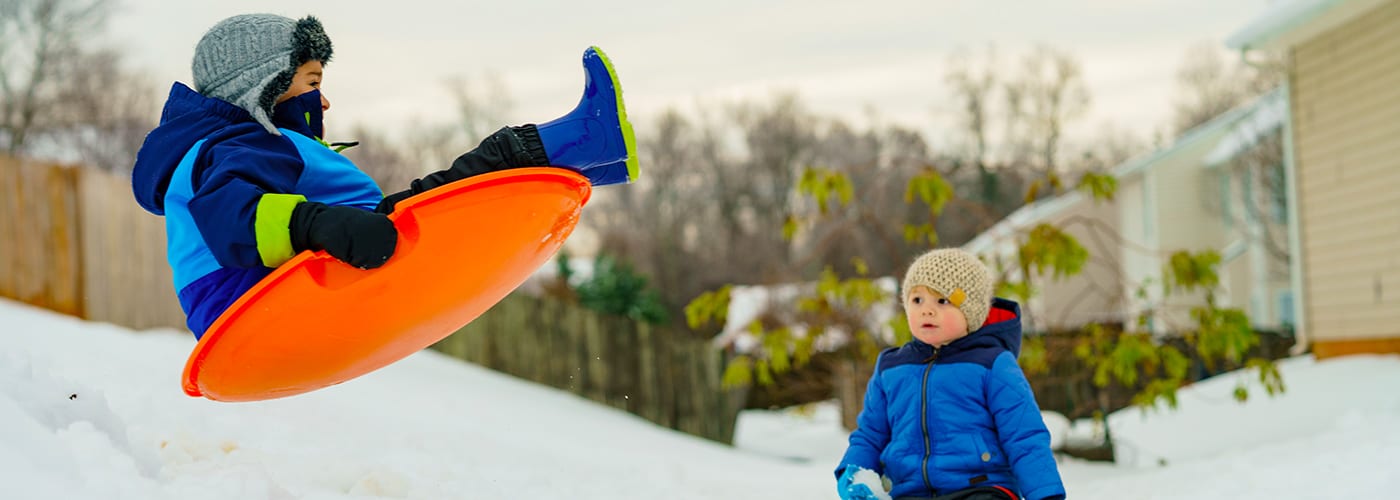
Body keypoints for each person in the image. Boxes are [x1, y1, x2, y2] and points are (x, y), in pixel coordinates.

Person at [131, 14, 635, 338]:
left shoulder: (232, 146)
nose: (322, 100)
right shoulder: (240, 146)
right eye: (311, 82)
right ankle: (583, 140)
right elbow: (229, 215)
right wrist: (315, 224)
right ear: (265, 87)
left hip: (261, 296)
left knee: (428, 202)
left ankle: (590, 154)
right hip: (250, 302)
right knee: (442, 198)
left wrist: (322, 223)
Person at [834, 248, 1065, 500]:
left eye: (942, 301)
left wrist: (1045, 494)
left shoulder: (992, 364)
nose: (927, 310)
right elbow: (871, 434)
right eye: (917, 300)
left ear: (971, 311)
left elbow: (1024, 435)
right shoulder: (891, 367)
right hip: (911, 492)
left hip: (980, 488)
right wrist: (854, 471)